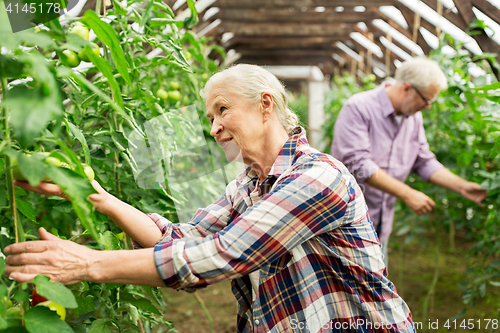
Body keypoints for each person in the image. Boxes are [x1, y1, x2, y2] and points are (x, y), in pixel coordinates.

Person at [5, 64, 416, 332]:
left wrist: (89, 263)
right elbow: (180, 240)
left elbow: (223, 256)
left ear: (265, 106)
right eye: (211, 118)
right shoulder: (247, 186)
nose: (215, 127)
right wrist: (96, 195)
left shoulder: (317, 177)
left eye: (223, 110)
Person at [331, 58, 487, 265]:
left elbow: (423, 161)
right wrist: (408, 193)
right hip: (346, 225)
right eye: (427, 100)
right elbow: (358, 165)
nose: (428, 107)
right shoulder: (359, 107)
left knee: (375, 288)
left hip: (380, 225)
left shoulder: (413, 118)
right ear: (407, 88)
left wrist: (464, 187)